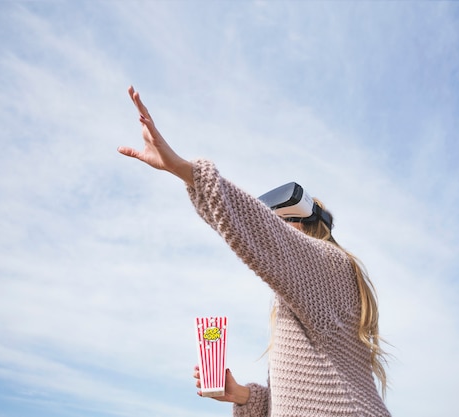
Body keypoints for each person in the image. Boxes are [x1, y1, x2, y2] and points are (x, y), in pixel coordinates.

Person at [118, 86, 392, 417]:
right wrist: (244, 396)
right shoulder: (311, 292)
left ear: (301, 224)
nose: (274, 234)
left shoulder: (328, 266)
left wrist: (182, 169)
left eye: (279, 224)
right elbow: (302, 397)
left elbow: (255, 230)